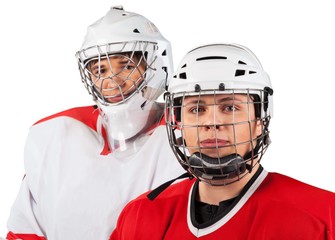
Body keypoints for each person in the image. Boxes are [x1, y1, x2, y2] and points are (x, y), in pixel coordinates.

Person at [110, 43, 335, 239]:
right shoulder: (141, 215)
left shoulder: (323, 217)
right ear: (178, 122)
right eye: (197, 109)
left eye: (230, 107)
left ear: (260, 120)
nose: (212, 122)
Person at [6, 6, 184, 240]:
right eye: (100, 69)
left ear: (155, 66)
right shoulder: (54, 133)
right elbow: (24, 230)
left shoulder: (185, 134)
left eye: (127, 66)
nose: (112, 81)